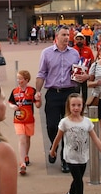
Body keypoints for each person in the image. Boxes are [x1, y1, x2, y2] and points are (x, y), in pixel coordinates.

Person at [48, 93, 101, 194]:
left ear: (82, 106)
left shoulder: (87, 122)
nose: (76, 108)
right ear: (69, 106)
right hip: (70, 157)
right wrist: (53, 150)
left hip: (83, 157)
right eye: (73, 105)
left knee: (77, 180)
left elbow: (96, 140)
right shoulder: (65, 122)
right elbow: (58, 138)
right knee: (79, 183)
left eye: (79, 105)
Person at [35, 25, 88, 174]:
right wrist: (37, 92)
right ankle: (54, 145)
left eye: (68, 35)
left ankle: (65, 160)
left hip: (69, 94)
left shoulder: (75, 54)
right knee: (52, 126)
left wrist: (83, 78)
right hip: (52, 93)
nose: (66, 37)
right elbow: (41, 74)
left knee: (69, 128)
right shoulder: (46, 53)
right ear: (56, 37)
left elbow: (79, 73)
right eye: (63, 35)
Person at [8, 69, 40, 175]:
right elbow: (10, 103)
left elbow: (38, 105)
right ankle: (22, 163)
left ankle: (26, 155)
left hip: (29, 119)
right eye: (17, 78)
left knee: (27, 138)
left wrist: (38, 99)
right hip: (18, 120)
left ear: (26, 80)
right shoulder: (14, 91)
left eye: (20, 79)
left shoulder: (32, 91)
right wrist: (13, 107)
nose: (18, 80)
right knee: (22, 139)